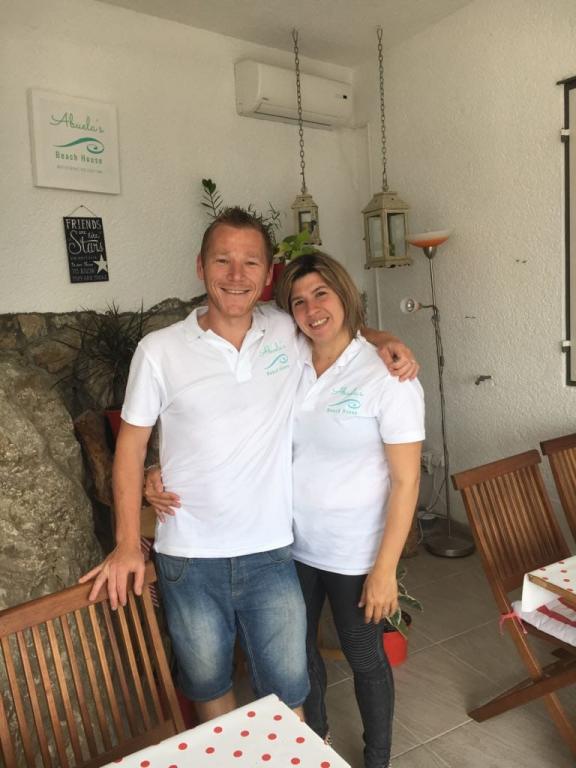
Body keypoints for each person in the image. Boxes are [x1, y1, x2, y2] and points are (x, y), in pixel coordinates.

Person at [81, 207, 418, 726]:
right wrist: (128, 543)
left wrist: (385, 339)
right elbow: (129, 447)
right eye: (223, 260)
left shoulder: (285, 329)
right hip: (188, 557)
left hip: (271, 554)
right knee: (209, 684)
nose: (236, 275)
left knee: (287, 689)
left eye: (251, 263)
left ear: (266, 276)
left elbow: (336, 326)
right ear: (201, 267)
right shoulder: (159, 350)